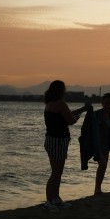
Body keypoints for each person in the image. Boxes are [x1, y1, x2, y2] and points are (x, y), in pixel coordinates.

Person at [43, 80, 90, 211]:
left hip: (51, 140)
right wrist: (80, 115)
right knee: (56, 173)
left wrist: (82, 109)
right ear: (60, 91)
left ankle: (55, 199)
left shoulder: (49, 104)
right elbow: (70, 120)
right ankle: (49, 201)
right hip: (58, 141)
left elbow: (66, 115)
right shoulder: (61, 104)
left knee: (56, 172)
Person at [81, 93, 110, 195]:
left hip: (106, 145)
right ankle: (97, 189)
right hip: (96, 144)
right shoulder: (96, 114)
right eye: (106, 103)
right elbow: (87, 127)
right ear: (102, 103)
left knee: (103, 166)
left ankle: (97, 188)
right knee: (102, 164)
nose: (108, 105)